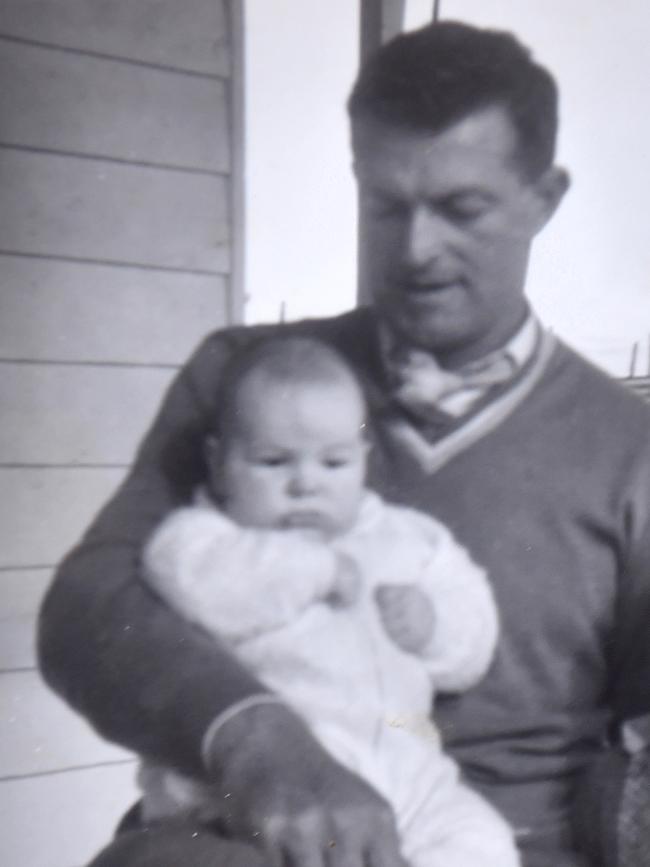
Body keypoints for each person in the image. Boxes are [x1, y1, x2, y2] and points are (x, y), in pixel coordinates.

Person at [37, 20, 650, 867]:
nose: (414, 248)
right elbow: (88, 608)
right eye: (384, 205)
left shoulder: (632, 449)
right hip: (248, 828)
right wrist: (261, 742)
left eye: (460, 209)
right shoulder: (246, 380)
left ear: (544, 197)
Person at [137, 336, 519, 867]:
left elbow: (475, 625)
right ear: (219, 463)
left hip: (411, 779)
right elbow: (196, 581)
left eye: (334, 463)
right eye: (273, 462)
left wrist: (435, 627)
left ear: (363, 460)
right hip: (263, 793)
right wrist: (309, 570)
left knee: (481, 842)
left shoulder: (407, 538)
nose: (305, 484)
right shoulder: (204, 539)